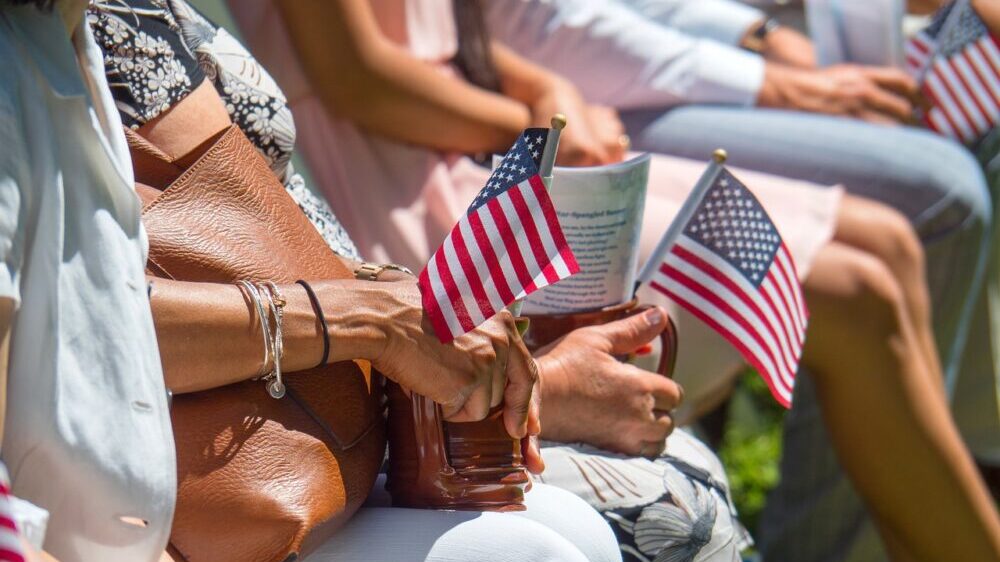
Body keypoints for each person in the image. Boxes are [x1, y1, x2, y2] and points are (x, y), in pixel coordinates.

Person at [228, 0, 1000, 560]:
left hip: (478, 143)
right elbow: (360, 77)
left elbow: (462, 28)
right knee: (853, 295)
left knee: (884, 247)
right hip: (417, 191)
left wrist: (546, 93)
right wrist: (525, 126)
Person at [0, 0, 623, 560]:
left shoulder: (62, 39)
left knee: (581, 534)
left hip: (329, 427)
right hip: (194, 485)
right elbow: (86, 317)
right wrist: (373, 321)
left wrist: (406, 306)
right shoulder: (30, 59)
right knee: (549, 548)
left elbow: (103, 281)